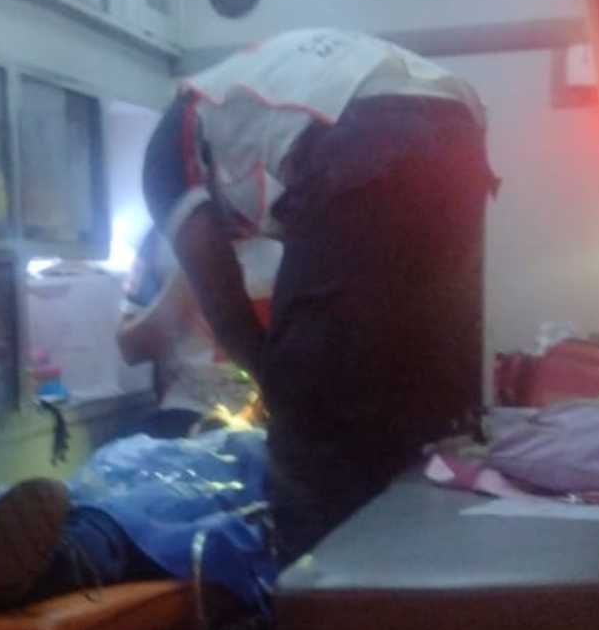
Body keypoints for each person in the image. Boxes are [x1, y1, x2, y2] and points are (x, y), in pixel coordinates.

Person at [141, 28, 498, 562]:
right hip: (455, 122)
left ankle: (323, 596)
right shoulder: (255, 108)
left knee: (312, 418)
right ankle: (423, 578)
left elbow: (223, 302)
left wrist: (280, 393)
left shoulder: (166, 157)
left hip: (366, 130)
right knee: (425, 388)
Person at [0, 427, 273, 619]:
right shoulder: (151, 445)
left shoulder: (251, 449)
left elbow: (254, 509)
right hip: (91, 504)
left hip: (122, 512)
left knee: (91, 531)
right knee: (69, 528)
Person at [115, 223, 275, 437]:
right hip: (187, 413)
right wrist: (184, 282)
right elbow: (130, 350)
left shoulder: (301, 232)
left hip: (278, 415)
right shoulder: (163, 238)